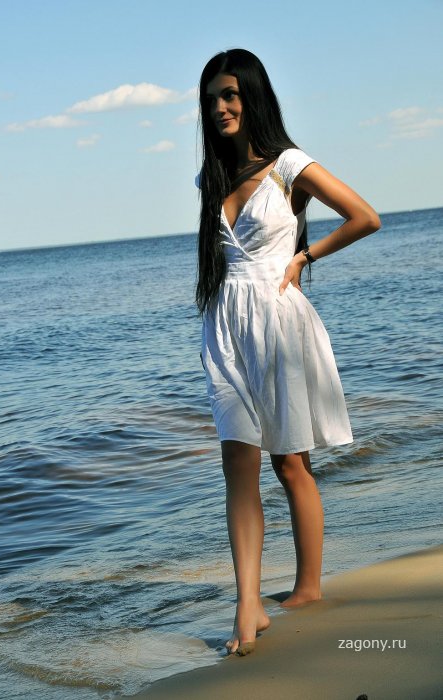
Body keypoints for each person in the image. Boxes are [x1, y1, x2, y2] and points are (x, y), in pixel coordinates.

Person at [194, 48, 381, 657]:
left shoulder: (288, 166)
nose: (220, 107)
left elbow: (364, 217)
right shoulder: (210, 178)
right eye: (212, 99)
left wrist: (305, 257)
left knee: (289, 463)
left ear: (252, 97)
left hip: (277, 322)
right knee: (237, 460)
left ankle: (307, 588)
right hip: (225, 325)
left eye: (230, 95)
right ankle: (248, 603)